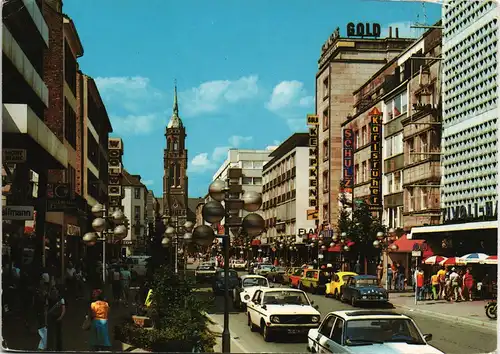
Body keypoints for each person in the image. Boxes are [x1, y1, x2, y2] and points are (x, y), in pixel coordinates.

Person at [46, 285, 66, 351]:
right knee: (50, 333)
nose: (55, 291)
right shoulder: (49, 298)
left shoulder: (60, 299)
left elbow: (63, 309)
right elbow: (46, 307)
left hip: (57, 317)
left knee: (58, 333)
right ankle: (50, 347)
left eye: (55, 290)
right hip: (51, 317)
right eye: (53, 290)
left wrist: (61, 317)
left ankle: (59, 348)